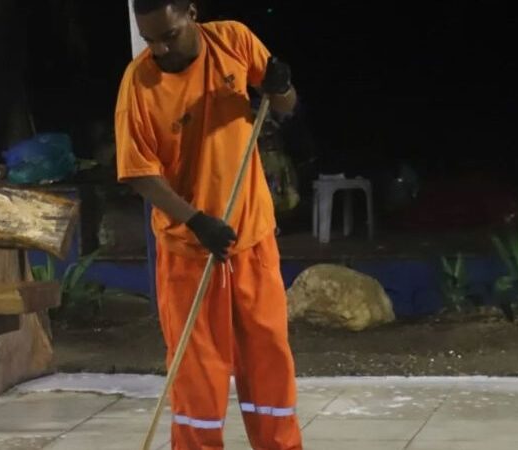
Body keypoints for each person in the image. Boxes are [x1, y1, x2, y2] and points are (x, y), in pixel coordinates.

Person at [114, 1, 303, 449]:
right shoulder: (139, 85)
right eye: (150, 40)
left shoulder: (233, 40)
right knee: (198, 379)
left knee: (268, 364)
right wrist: (196, 221)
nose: (160, 48)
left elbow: (284, 106)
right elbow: (140, 174)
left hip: (252, 238)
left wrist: (281, 85)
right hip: (189, 252)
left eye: (169, 35)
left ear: (191, 13)